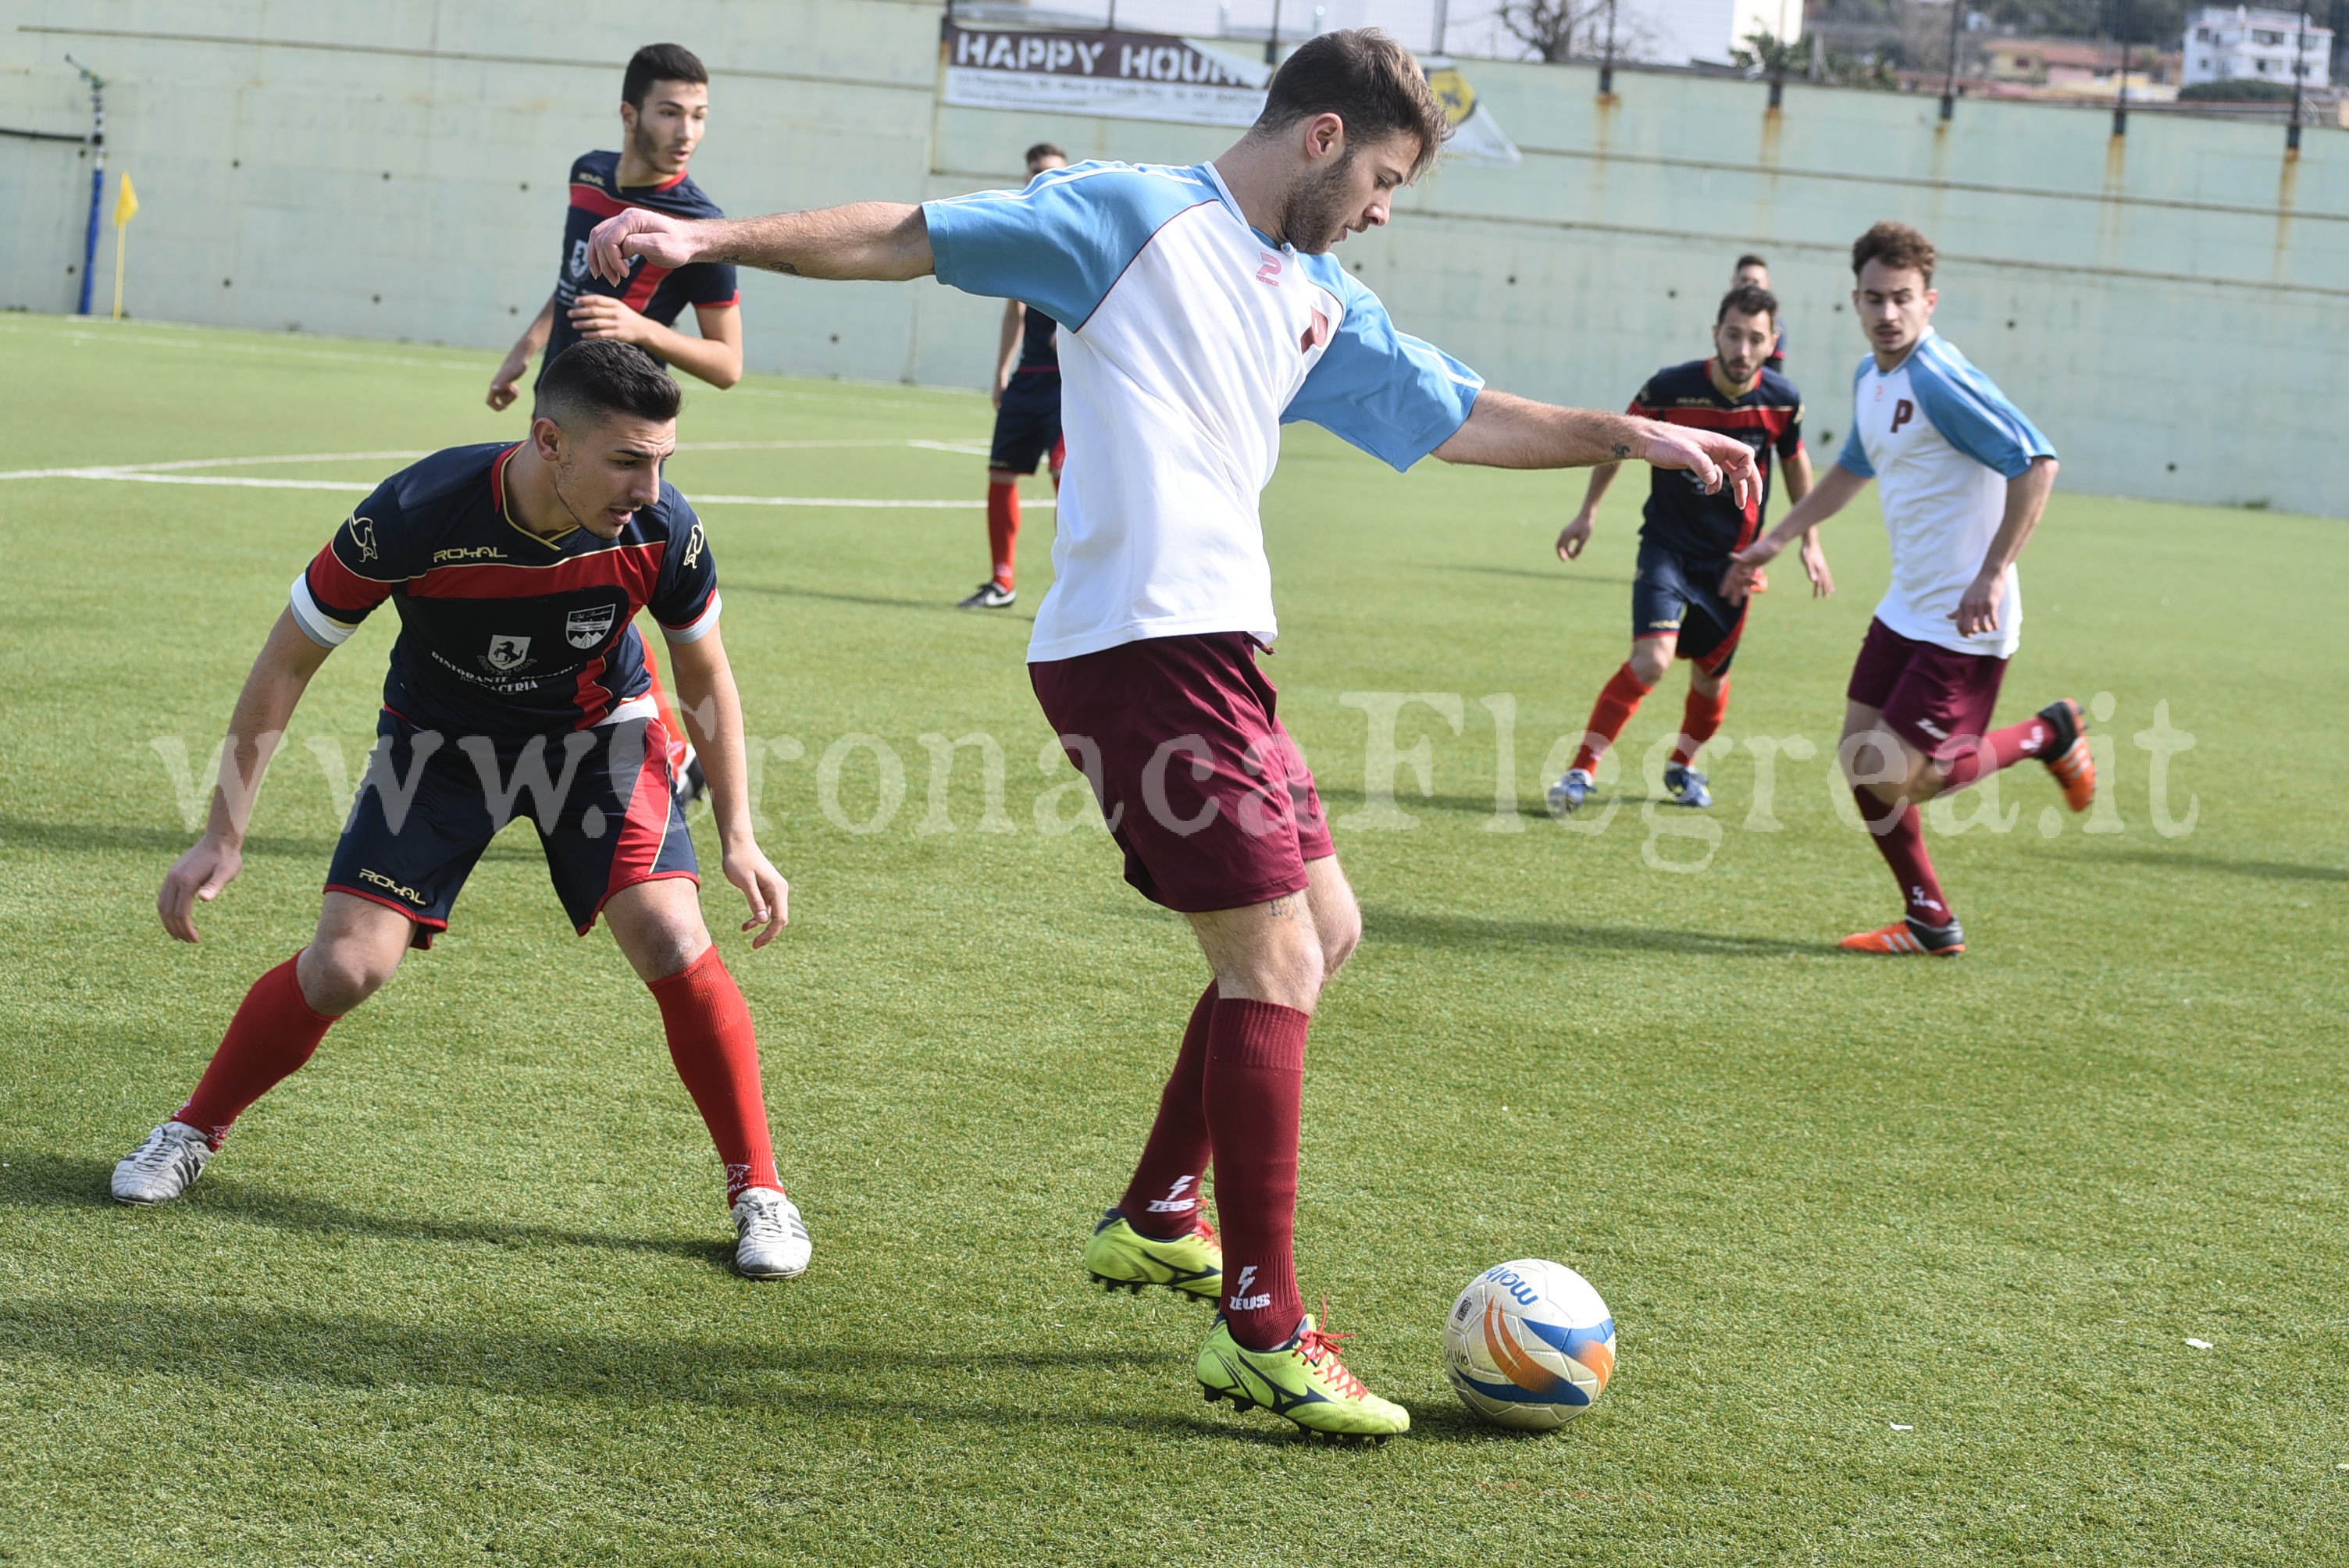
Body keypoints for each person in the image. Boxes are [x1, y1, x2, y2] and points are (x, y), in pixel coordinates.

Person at [582, 28, 1759, 1437]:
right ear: (1319, 138)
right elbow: (902, 235)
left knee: (1321, 930)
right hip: (1138, 649)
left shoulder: (1314, 293)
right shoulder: (1130, 216)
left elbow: (1452, 413)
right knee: (1269, 958)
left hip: (1218, 650)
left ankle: (1156, 1208)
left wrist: (1627, 436)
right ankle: (1260, 1321)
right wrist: (697, 233)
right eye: (1383, 176)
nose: (1384, 207)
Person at [112, 342, 812, 1280]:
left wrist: (739, 836)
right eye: (626, 461)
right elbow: (287, 659)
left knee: (672, 939)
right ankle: (190, 1130)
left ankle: (758, 1187)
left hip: (597, 735)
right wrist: (221, 831)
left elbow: (703, 673)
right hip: (438, 746)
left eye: (663, 462)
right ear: (547, 439)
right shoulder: (414, 513)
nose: (648, 487)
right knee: (346, 967)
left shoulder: (661, 529)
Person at [1725, 222, 2094, 957]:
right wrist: (1782, 534)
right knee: (1861, 759)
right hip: (1907, 605)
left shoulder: (1938, 378)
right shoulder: (1873, 377)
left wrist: (1990, 573)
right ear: (1854, 301)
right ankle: (1929, 918)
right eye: (1873, 299)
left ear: (1929, 301)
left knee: (1906, 776)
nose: (1887, 313)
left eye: (1902, 299)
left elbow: (2037, 463)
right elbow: (1854, 467)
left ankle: (2047, 733)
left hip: (1966, 617)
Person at [486, 41, 742, 803]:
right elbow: (569, 279)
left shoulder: (699, 226)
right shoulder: (588, 175)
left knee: (599, 601)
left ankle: (662, 757)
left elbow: (727, 363)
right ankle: (582, 745)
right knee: (542, 585)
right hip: (553, 419)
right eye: (670, 110)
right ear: (629, 113)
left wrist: (639, 329)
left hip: (620, 447)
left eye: (699, 114)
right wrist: (526, 347)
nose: (687, 128)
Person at [1547, 283, 1829, 816]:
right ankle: (1582, 769)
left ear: (1772, 344)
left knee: (1709, 675)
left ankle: (1684, 765)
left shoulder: (1782, 400)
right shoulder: (1670, 389)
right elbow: (1619, 439)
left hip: (1733, 564)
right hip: (1667, 549)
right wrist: (1588, 511)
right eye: (1733, 335)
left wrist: (1808, 539)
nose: (1742, 350)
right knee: (1651, 661)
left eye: (1755, 339)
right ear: (1715, 335)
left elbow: (1794, 461)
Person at [961, 142, 1070, 611]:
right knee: (1001, 474)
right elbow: (1015, 311)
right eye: (1033, 172)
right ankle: (1001, 582)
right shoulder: (1025, 238)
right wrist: (1001, 371)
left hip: (1069, 385)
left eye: (1049, 172)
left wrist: (1072, 332)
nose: (1039, 180)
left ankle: (1078, 592)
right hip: (1027, 379)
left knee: (1069, 481)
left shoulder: (1078, 234)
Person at [1733, 253, 1788, 369]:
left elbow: (1775, 371)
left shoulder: (1775, 325)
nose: (1749, 287)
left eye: (1755, 282)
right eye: (1744, 280)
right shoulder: (1727, 316)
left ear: (1767, 285)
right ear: (1734, 281)